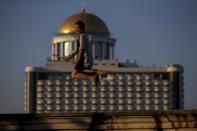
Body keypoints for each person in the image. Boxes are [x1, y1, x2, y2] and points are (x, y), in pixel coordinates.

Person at [66, 20, 99, 86]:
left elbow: (81, 50)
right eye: (75, 28)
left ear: (83, 28)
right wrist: (69, 56)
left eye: (78, 28)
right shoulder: (83, 36)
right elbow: (77, 49)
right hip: (86, 60)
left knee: (73, 74)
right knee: (77, 73)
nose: (76, 30)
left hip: (84, 60)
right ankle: (93, 75)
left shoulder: (83, 36)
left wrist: (78, 61)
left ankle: (92, 77)